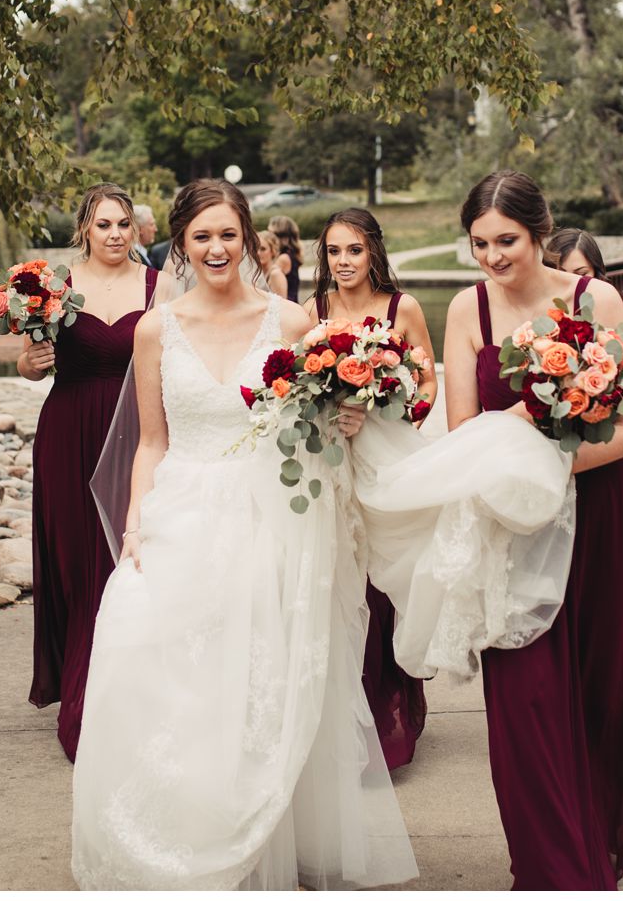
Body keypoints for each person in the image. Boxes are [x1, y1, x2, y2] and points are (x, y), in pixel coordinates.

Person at [71, 179, 416, 889]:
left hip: (275, 518)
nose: (216, 249)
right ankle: (183, 831)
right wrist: (136, 522)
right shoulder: (153, 330)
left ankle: (259, 844)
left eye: (227, 234)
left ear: (249, 239)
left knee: (261, 677)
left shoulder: (292, 324)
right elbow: (151, 441)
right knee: (160, 664)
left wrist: (351, 418)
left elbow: (329, 423)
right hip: (183, 510)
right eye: (201, 237)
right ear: (179, 246)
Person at [442, 170, 623, 888]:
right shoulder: (466, 311)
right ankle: (551, 870)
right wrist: (517, 474)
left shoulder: (594, 301)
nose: (492, 257)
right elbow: (462, 434)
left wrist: (555, 469)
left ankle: (596, 838)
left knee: (602, 688)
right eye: (479, 243)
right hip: (510, 531)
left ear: (539, 232)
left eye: (505, 240)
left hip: (599, 520)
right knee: (524, 702)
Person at [23, 184, 157, 762]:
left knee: (131, 561)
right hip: (69, 430)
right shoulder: (52, 290)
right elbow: (26, 362)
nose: (115, 234)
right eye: (104, 224)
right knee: (80, 565)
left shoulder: (159, 286)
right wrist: (29, 362)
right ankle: (84, 692)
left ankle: (137, 695)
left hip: (139, 435)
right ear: (85, 229)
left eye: (123, 224)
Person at [306, 207, 437, 771]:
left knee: (381, 584)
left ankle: (391, 720)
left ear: (374, 252)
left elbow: (427, 379)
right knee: (337, 579)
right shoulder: (311, 310)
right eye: (334, 251)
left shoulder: (399, 308)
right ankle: (338, 719)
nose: (343, 262)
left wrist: (391, 407)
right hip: (328, 461)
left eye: (354, 250)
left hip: (386, 457)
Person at [267, 213, 303, 304]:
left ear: (281, 236)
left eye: (271, 233)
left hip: (286, 306)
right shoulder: (291, 254)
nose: (269, 237)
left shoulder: (284, 258)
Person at [251, 230, 288, 299]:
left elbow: (282, 305)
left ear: (273, 251)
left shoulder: (276, 274)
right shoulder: (258, 272)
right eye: (255, 248)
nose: (258, 253)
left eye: (263, 249)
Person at [130, 203, 159, 268]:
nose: (156, 229)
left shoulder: (144, 254)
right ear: (140, 229)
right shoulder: (133, 259)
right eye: (151, 224)